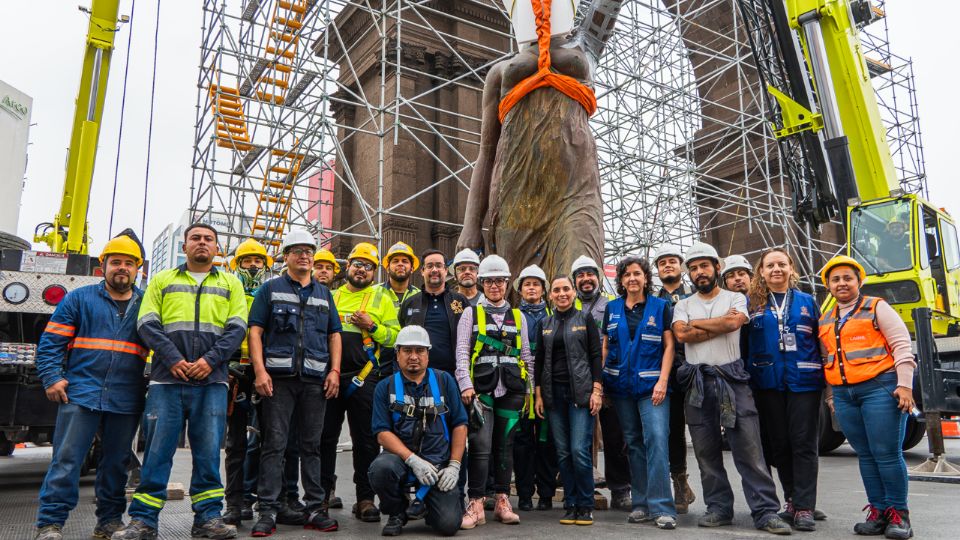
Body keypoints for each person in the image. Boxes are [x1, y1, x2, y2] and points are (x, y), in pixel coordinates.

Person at [115, 223, 248, 540]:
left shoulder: (232, 283)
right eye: (196, 238)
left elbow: (237, 327)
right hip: (167, 381)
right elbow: (146, 323)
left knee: (208, 455)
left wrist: (208, 362)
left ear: (217, 248)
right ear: (185, 246)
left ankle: (208, 520)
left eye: (209, 239)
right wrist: (174, 359)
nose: (202, 243)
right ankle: (143, 521)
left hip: (212, 381)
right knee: (157, 454)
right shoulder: (162, 280)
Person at [33, 232, 148, 540]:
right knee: (67, 460)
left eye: (128, 263)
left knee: (116, 463)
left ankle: (109, 522)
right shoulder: (79, 299)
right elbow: (51, 342)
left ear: (138, 269)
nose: (121, 268)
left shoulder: (147, 305)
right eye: (115, 262)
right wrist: (52, 377)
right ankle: (50, 524)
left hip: (125, 396)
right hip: (81, 391)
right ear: (103, 267)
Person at [671, 242, 791, 535]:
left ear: (716, 268)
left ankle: (765, 511)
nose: (700, 272)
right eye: (694, 268)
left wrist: (700, 325)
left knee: (749, 449)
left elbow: (734, 322)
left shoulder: (735, 299)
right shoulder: (682, 304)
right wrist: (718, 324)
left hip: (733, 380)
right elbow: (681, 333)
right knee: (706, 451)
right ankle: (718, 507)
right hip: (698, 383)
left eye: (704, 266)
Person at [248, 230, 342, 536]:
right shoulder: (270, 289)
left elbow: (334, 335)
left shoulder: (324, 293)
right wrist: (260, 372)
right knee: (274, 445)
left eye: (308, 251)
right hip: (279, 380)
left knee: (311, 446)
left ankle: (315, 507)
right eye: (297, 251)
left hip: (315, 381)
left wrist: (335, 372)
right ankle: (268, 510)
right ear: (286, 256)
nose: (304, 256)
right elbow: (256, 332)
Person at [818, 256, 916, 540]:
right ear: (828, 286)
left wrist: (905, 386)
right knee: (865, 455)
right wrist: (831, 396)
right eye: (835, 280)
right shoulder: (826, 318)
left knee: (886, 454)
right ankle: (879, 511)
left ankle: (900, 515)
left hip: (879, 388)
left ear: (859, 281)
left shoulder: (876, 307)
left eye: (848, 278)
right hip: (844, 395)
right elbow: (828, 359)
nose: (842, 283)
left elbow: (901, 344)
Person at [745, 248, 824, 532]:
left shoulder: (808, 302)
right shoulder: (751, 303)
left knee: (803, 444)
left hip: (804, 382)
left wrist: (828, 389)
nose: (776, 269)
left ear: (791, 268)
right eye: (770, 265)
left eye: (781, 264)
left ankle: (804, 507)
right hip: (767, 383)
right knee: (779, 444)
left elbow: (822, 342)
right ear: (762, 272)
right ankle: (791, 499)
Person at [322, 242, 400, 523]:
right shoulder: (331, 296)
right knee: (325, 437)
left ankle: (365, 498)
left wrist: (373, 326)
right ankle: (324, 493)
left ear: (374, 272)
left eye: (368, 266)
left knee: (366, 441)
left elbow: (395, 338)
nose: (362, 270)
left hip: (365, 378)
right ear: (347, 267)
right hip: (330, 376)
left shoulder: (382, 299)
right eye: (357, 264)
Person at [456, 255, 534, 528]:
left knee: (505, 448)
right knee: (480, 446)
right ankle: (476, 502)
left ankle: (502, 500)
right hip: (482, 391)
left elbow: (526, 355)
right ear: (482, 283)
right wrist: (465, 384)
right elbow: (462, 352)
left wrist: (530, 391)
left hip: (512, 390)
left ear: (506, 283)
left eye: (499, 281)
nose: (495, 286)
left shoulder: (518, 316)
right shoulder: (471, 313)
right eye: (489, 281)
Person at [369, 326, 468, 537]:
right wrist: (413, 460)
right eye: (407, 350)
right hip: (402, 461)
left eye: (419, 350)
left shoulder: (444, 381)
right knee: (380, 468)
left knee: (449, 525)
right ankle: (397, 512)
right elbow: (381, 432)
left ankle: (428, 506)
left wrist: (454, 466)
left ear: (428, 355)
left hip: (439, 465)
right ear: (397, 354)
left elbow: (460, 424)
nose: (414, 356)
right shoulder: (385, 387)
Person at [603, 256, 678, 530]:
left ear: (646, 278)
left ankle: (662, 507)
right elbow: (605, 349)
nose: (632, 278)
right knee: (633, 443)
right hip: (621, 389)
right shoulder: (612, 309)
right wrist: (601, 384)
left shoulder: (660, 306)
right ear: (621, 280)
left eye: (637, 274)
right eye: (627, 275)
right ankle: (641, 503)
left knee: (656, 439)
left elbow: (669, 346)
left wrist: (663, 380)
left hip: (652, 388)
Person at [534, 276, 602, 526]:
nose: (561, 293)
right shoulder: (545, 323)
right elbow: (539, 360)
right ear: (550, 295)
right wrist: (539, 395)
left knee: (578, 451)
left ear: (573, 293)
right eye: (556, 290)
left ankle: (585, 504)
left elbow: (596, 355)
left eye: (566, 289)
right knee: (563, 453)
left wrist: (596, 390)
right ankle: (570, 503)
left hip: (580, 395)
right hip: (554, 396)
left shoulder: (585, 319)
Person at [222, 238, 275, 527]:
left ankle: (260, 498)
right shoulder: (228, 291)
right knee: (235, 442)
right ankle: (235, 501)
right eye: (247, 261)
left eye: (258, 261)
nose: (253, 265)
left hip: (264, 372)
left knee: (267, 440)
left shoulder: (272, 292)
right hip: (234, 372)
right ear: (237, 264)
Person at [571, 255, 630, 510]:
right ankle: (581, 485)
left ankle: (620, 489)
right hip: (575, 381)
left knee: (614, 436)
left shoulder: (612, 306)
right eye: (580, 275)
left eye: (590, 274)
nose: (586, 279)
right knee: (579, 437)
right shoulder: (565, 305)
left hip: (608, 380)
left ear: (598, 277)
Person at [653, 244, 696, 514]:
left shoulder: (694, 295)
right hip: (664, 372)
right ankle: (679, 481)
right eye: (662, 263)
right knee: (673, 430)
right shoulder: (652, 300)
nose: (667, 265)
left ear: (681, 266)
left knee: (705, 431)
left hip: (693, 369)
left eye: (672, 261)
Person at [512, 265, 558, 512]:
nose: (531, 288)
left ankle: (547, 494)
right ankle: (525, 494)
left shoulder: (553, 316)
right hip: (520, 387)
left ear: (543, 290)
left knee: (546, 441)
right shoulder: (512, 316)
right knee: (522, 443)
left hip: (548, 385)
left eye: (536, 284)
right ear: (520, 290)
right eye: (527, 284)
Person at [398, 249, 469, 377]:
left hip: (454, 375)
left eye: (439, 265)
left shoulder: (461, 301)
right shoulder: (410, 303)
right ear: (422, 271)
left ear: (446, 270)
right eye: (429, 266)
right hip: (417, 375)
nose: (434, 270)